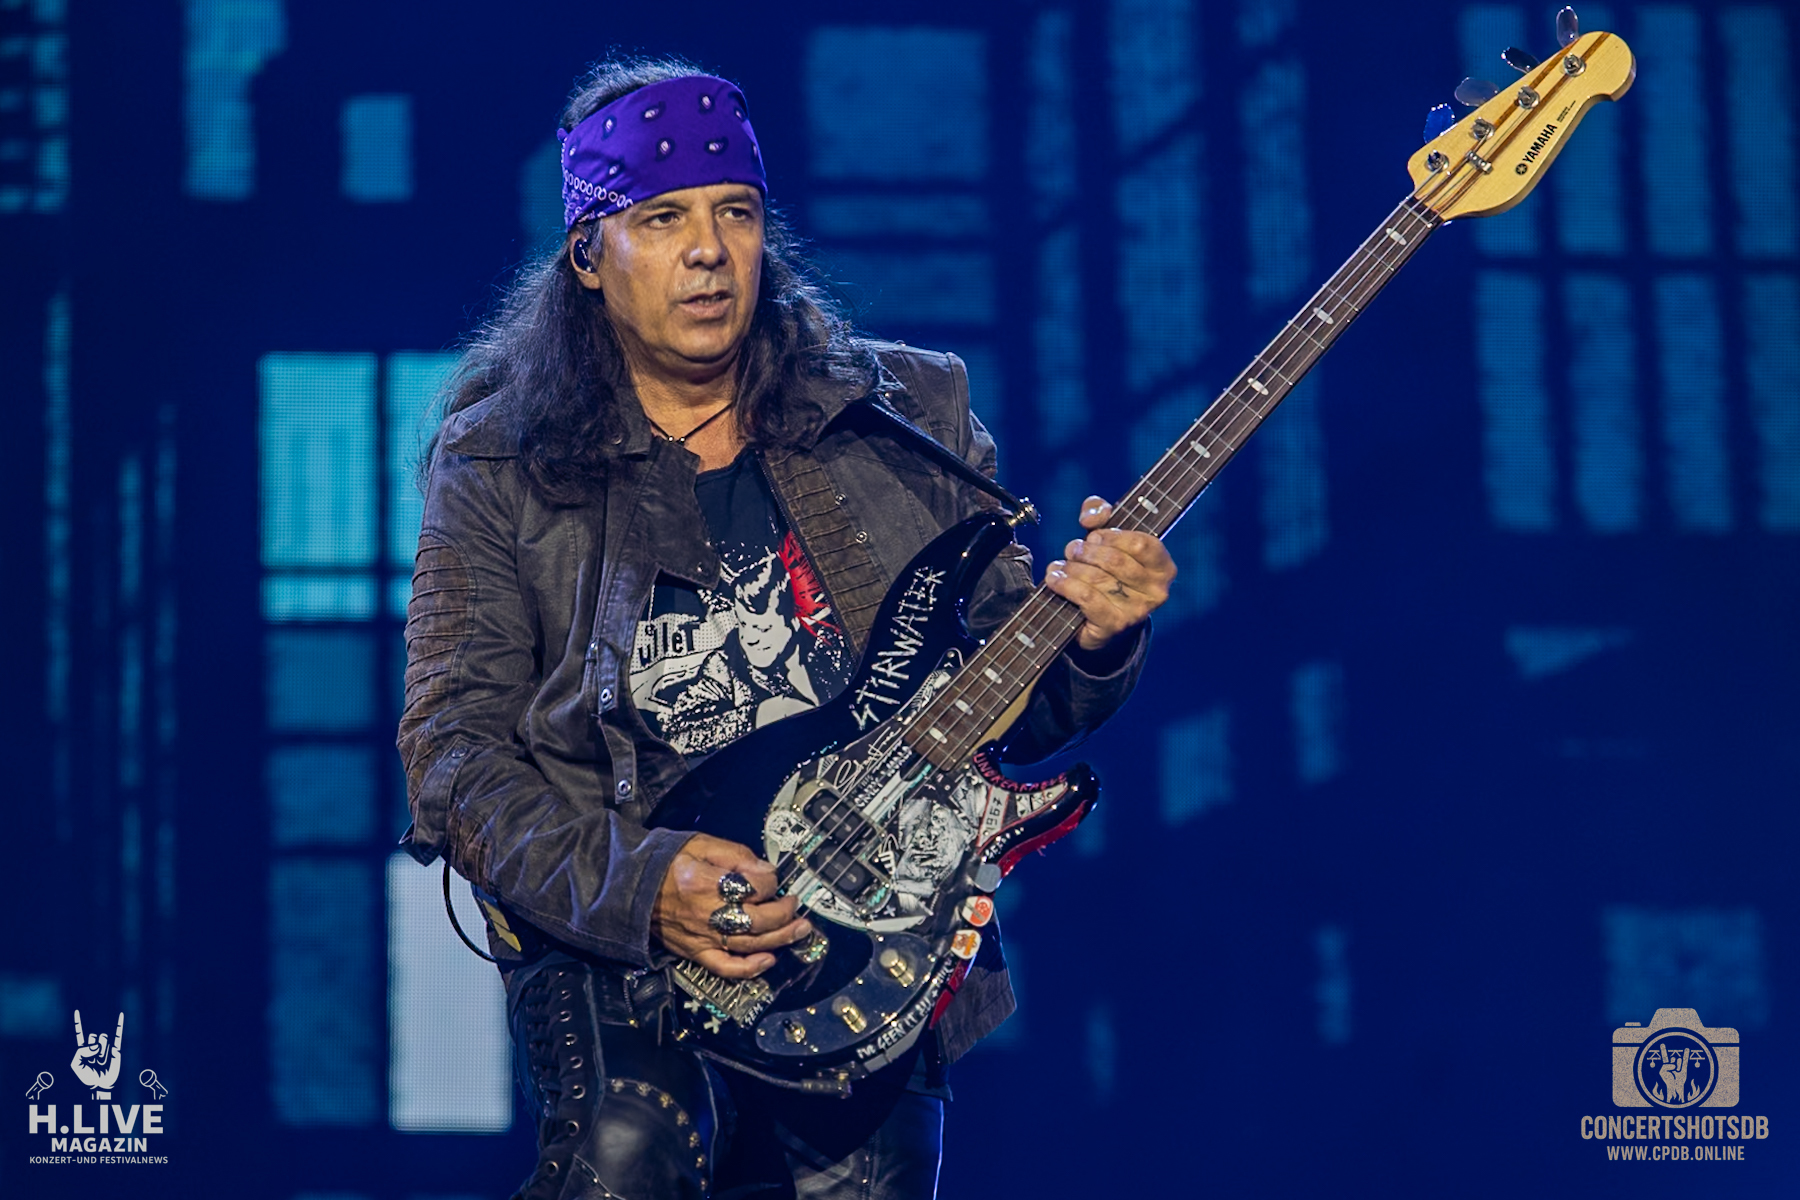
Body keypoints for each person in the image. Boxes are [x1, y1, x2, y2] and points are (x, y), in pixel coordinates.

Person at [397, 56, 1176, 1200]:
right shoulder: (500, 461)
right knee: (631, 1151)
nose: (709, 251)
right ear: (589, 257)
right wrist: (644, 884)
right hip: (623, 928)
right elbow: (452, 754)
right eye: (662, 219)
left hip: (866, 927)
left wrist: (1098, 636)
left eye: (736, 213)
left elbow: (1016, 707)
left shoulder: (907, 416)